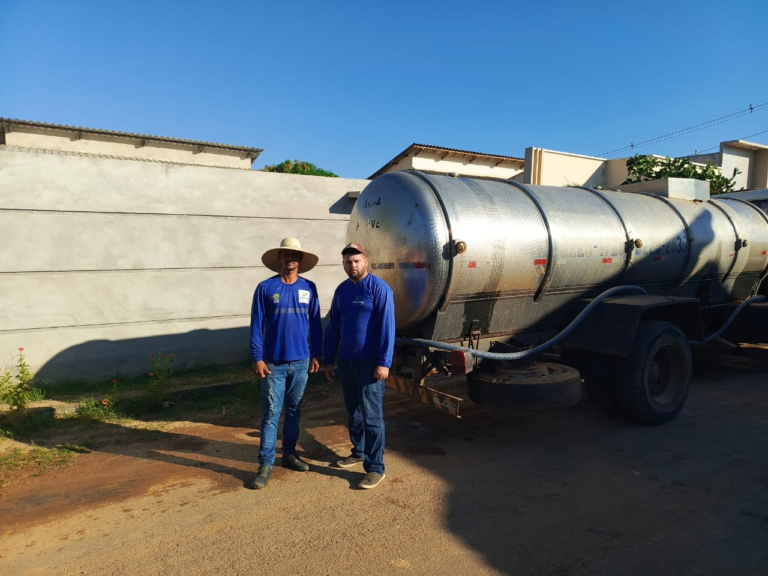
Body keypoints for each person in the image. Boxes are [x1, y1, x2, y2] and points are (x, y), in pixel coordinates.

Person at [248, 237, 323, 490]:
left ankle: (289, 455)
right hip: (273, 365)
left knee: (294, 412)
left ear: (300, 260)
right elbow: (256, 326)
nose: (290, 259)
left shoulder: (309, 288)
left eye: (295, 255)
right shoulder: (265, 288)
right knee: (270, 415)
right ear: (279, 257)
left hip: (301, 362)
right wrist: (257, 357)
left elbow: (315, 324)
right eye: (286, 254)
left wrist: (317, 354)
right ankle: (265, 465)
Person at [323, 241, 395, 490]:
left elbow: (388, 328)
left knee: (372, 416)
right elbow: (333, 327)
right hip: (346, 361)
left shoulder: (379, 288)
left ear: (366, 261)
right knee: (352, 411)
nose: (352, 265)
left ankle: (376, 468)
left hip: (369, 363)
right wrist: (327, 360)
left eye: (356, 260)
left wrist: (384, 363)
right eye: (347, 261)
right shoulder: (342, 290)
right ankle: (359, 451)